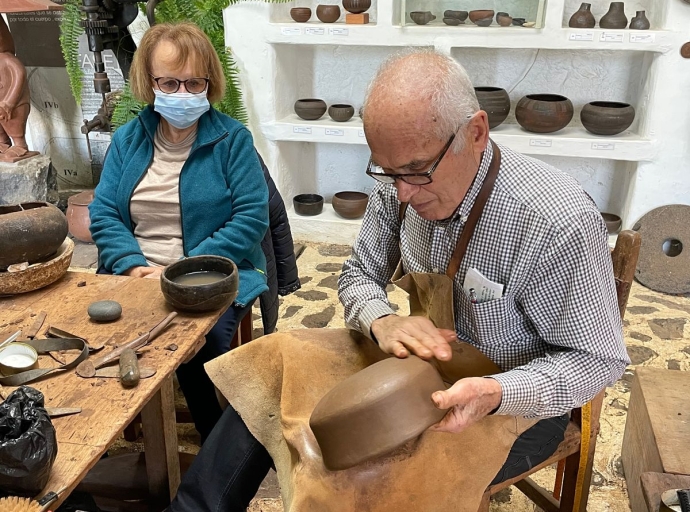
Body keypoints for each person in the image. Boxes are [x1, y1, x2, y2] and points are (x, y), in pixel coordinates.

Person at [167, 49, 629, 511]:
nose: (402, 190)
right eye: (388, 171)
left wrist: (497, 391)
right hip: (411, 365)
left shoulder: (555, 220)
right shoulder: (398, 178)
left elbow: (596, 362)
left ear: (476, 133)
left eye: (416, 171)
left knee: (363, 476)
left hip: (514, 400)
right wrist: (381, 321)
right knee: (271, 369)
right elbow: (358, 274)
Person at [89, 22, 269, 443]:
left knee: (193, 347)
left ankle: (214, 446)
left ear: (210, 81)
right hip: (135, 274)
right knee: (97, 334)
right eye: (170, 82)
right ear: (150, 84)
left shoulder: (232, 140)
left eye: (193, 82)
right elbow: (104, 214)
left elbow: (250, 218)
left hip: (210, 275)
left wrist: (181, 272)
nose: (183, 93)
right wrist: (134, 267)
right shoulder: (128, 140)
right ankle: (115, 430)